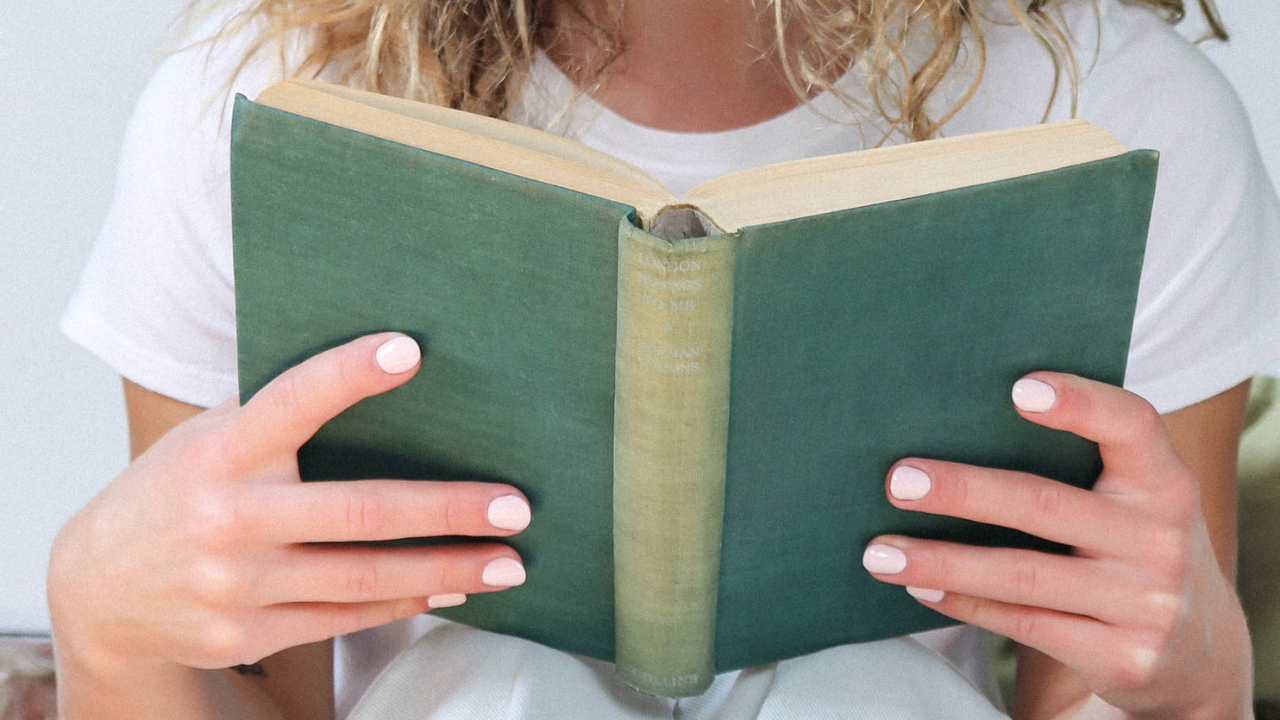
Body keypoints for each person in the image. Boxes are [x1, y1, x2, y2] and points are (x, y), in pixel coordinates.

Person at [49, 0, 1279, 717]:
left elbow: (1117, 672)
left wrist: (1201, 683)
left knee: (856, 691)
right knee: (493, 680)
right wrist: (102, 622)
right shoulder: (264, 99)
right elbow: (246, 682)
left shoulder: (1117, 113)